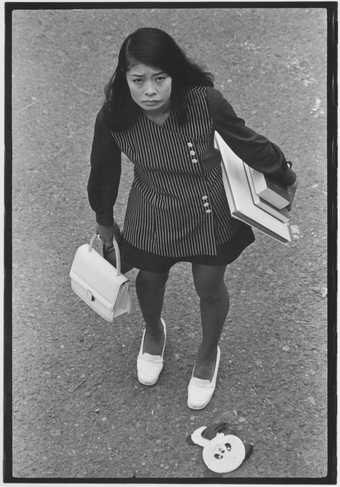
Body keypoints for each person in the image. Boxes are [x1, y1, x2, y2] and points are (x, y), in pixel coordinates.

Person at [87, 27, 297, 410]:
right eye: (138, 80)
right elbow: (103, 170)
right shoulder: (114, 116)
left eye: (159, 79)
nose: (150, 90)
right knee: (149, 280)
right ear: (125, 79)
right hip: (151, 207)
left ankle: (207, 352)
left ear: (175, 76)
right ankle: (153, 332)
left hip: (209, 209)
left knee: (209, 283)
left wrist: (282, 176)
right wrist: (104, 219)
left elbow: (245, 140)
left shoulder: (205, 102)